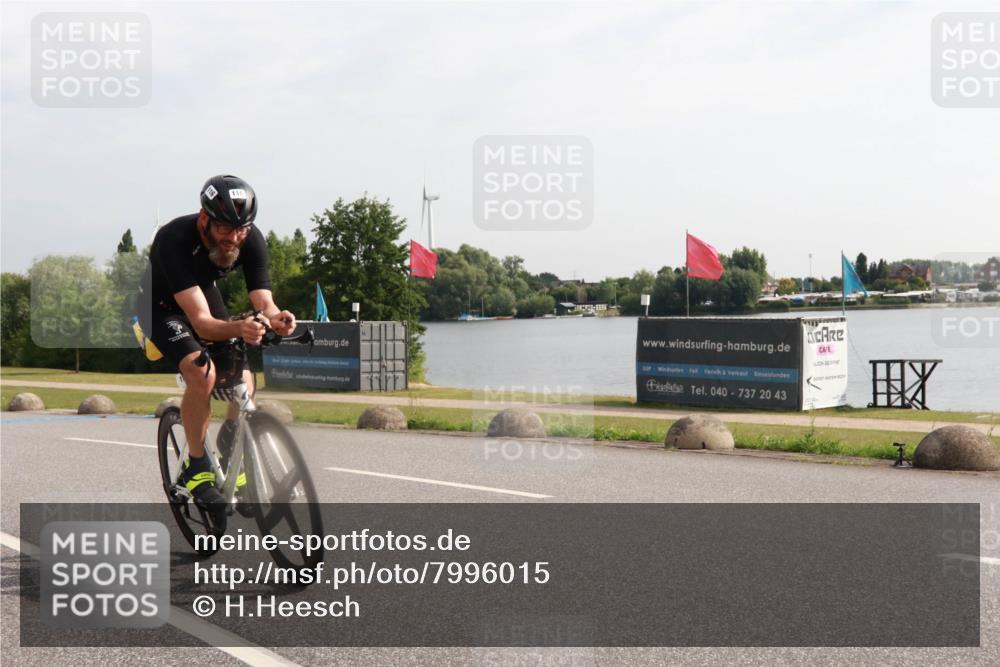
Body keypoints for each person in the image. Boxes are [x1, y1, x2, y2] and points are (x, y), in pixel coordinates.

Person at [138, 175, 295, 511]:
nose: (234, 238)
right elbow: (201, 324)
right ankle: (196, 465)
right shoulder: (174, 239)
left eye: (242, 229)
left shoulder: (249, 238)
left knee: (244, 377)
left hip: (201, 295)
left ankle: (230, 436)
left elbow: (263, 302)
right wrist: (240, 327)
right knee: (203, 375)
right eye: (225, 229)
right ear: (204, 218)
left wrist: (277, 319)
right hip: (161, 308)